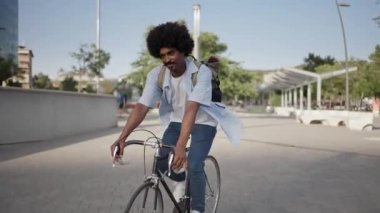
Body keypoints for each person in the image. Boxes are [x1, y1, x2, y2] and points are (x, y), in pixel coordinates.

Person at [111, 21, 241, 213]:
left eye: (171, 53)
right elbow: (141, 107)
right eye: (162, 55)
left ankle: (197, 207)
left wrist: (180, 146)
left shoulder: (201, 73)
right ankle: (184, 179)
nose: (167, 59)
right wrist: (122, 138)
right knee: (162, 159)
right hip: (177, 121)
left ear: (182, 50)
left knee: (195, 164)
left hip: (203, 122)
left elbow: (192, 108)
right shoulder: (157, 74)